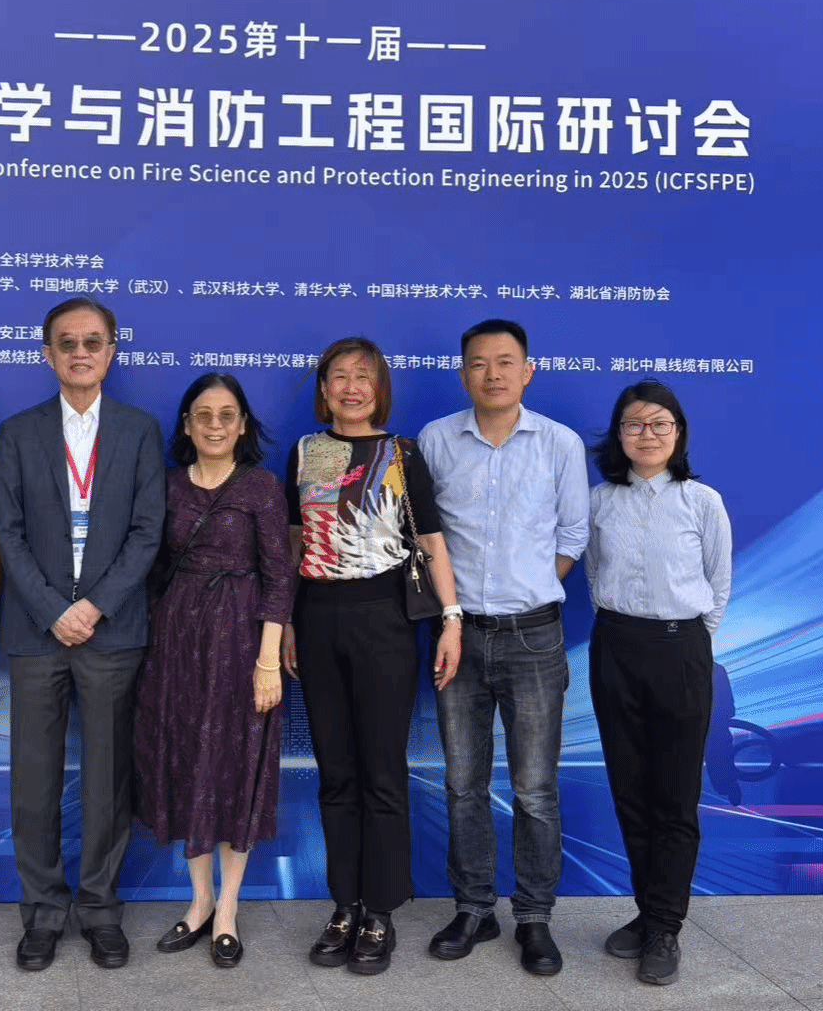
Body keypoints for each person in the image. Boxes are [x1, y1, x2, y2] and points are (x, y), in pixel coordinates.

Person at [282, 336, 463, 977]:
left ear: (379, 387)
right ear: (323, 388)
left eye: (364, 376)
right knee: (336, 772)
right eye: (339, 376)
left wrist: (451, 620)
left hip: (385, 618)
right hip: (318, 617)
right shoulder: (309, 452)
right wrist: (287, 624)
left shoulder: (402, 453)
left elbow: (432, 542)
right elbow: (302, 543)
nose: (351, 387)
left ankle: (381, 910)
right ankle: (344, 906)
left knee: (382, 771)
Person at [0, 298, 165, 972]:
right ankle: (41, 911)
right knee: (33, 781)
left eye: (93, 342)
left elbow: (147, 532)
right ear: (48, 354)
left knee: (107, 780)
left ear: (111, 352)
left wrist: (94, 606)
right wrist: (51, 608)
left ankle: (99, 910)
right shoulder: (18, 432)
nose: (80, 352)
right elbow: (7, 532)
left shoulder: (139, 431)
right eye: (67, 342)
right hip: (37, 631)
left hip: (112, 630)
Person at [418, 319, 587, 975]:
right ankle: (474, 908)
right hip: (458, 635)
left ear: (528, 371)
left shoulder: (559, 443)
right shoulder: (436, 440)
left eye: (506, 361)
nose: (493, 374)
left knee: (535, 788)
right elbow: (423, 537)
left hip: (534, 636)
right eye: (479, 363)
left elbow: (572, 535)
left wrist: (530, 590)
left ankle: (535, 917)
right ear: (463, 374)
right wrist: (456, 613)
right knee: (463, 784)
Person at [135, 374, 295, 969]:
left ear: (243, 424)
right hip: (177, 643)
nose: (215, 425)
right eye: (203, 415)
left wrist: (268, 660)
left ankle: (228, 908)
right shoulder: (169, 486)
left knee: (235, 765)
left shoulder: (261, 487)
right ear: (186, 424)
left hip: (243, 642)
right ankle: (199, 901)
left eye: (227, 415)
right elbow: (152, 567)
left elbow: (279, 576)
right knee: (186, 764)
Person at [585, 380, 733, 986]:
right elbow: (593, 573)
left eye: (659, 424)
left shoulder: (702, 501)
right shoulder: (599, 502)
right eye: (634, 424)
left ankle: (666, 926)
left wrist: (685, 641)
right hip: (615, 647)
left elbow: (718, 586)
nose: (646, 435)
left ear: (678, 433)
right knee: (630, 790)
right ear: (619, 435)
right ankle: (649, 912)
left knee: (674, 795)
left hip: (681, 650)